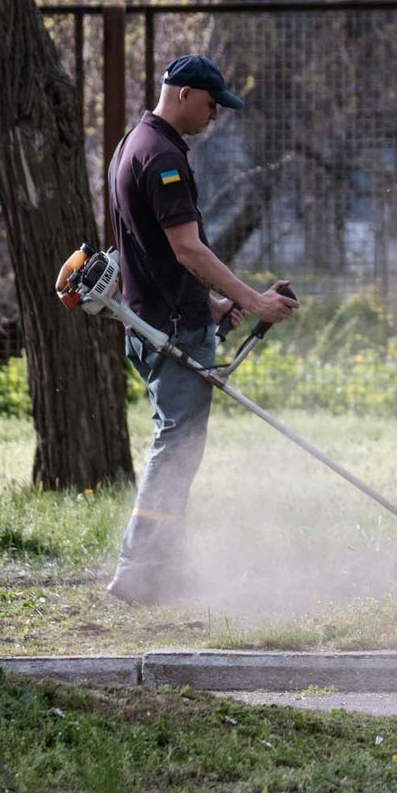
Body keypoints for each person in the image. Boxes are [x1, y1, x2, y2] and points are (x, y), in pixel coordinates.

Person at [104, 54, 297, 604]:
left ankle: (162, 569)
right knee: (177, 445)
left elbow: (148, 250)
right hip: (166, 328)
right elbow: (186, 248)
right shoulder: (163, 156)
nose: (215, 116)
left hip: (155, 320)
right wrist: (253, 301)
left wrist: (209, 305)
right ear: (185, 93)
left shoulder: (132, 145)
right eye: (212, 105)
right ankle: (138, 570)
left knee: (178, 442)